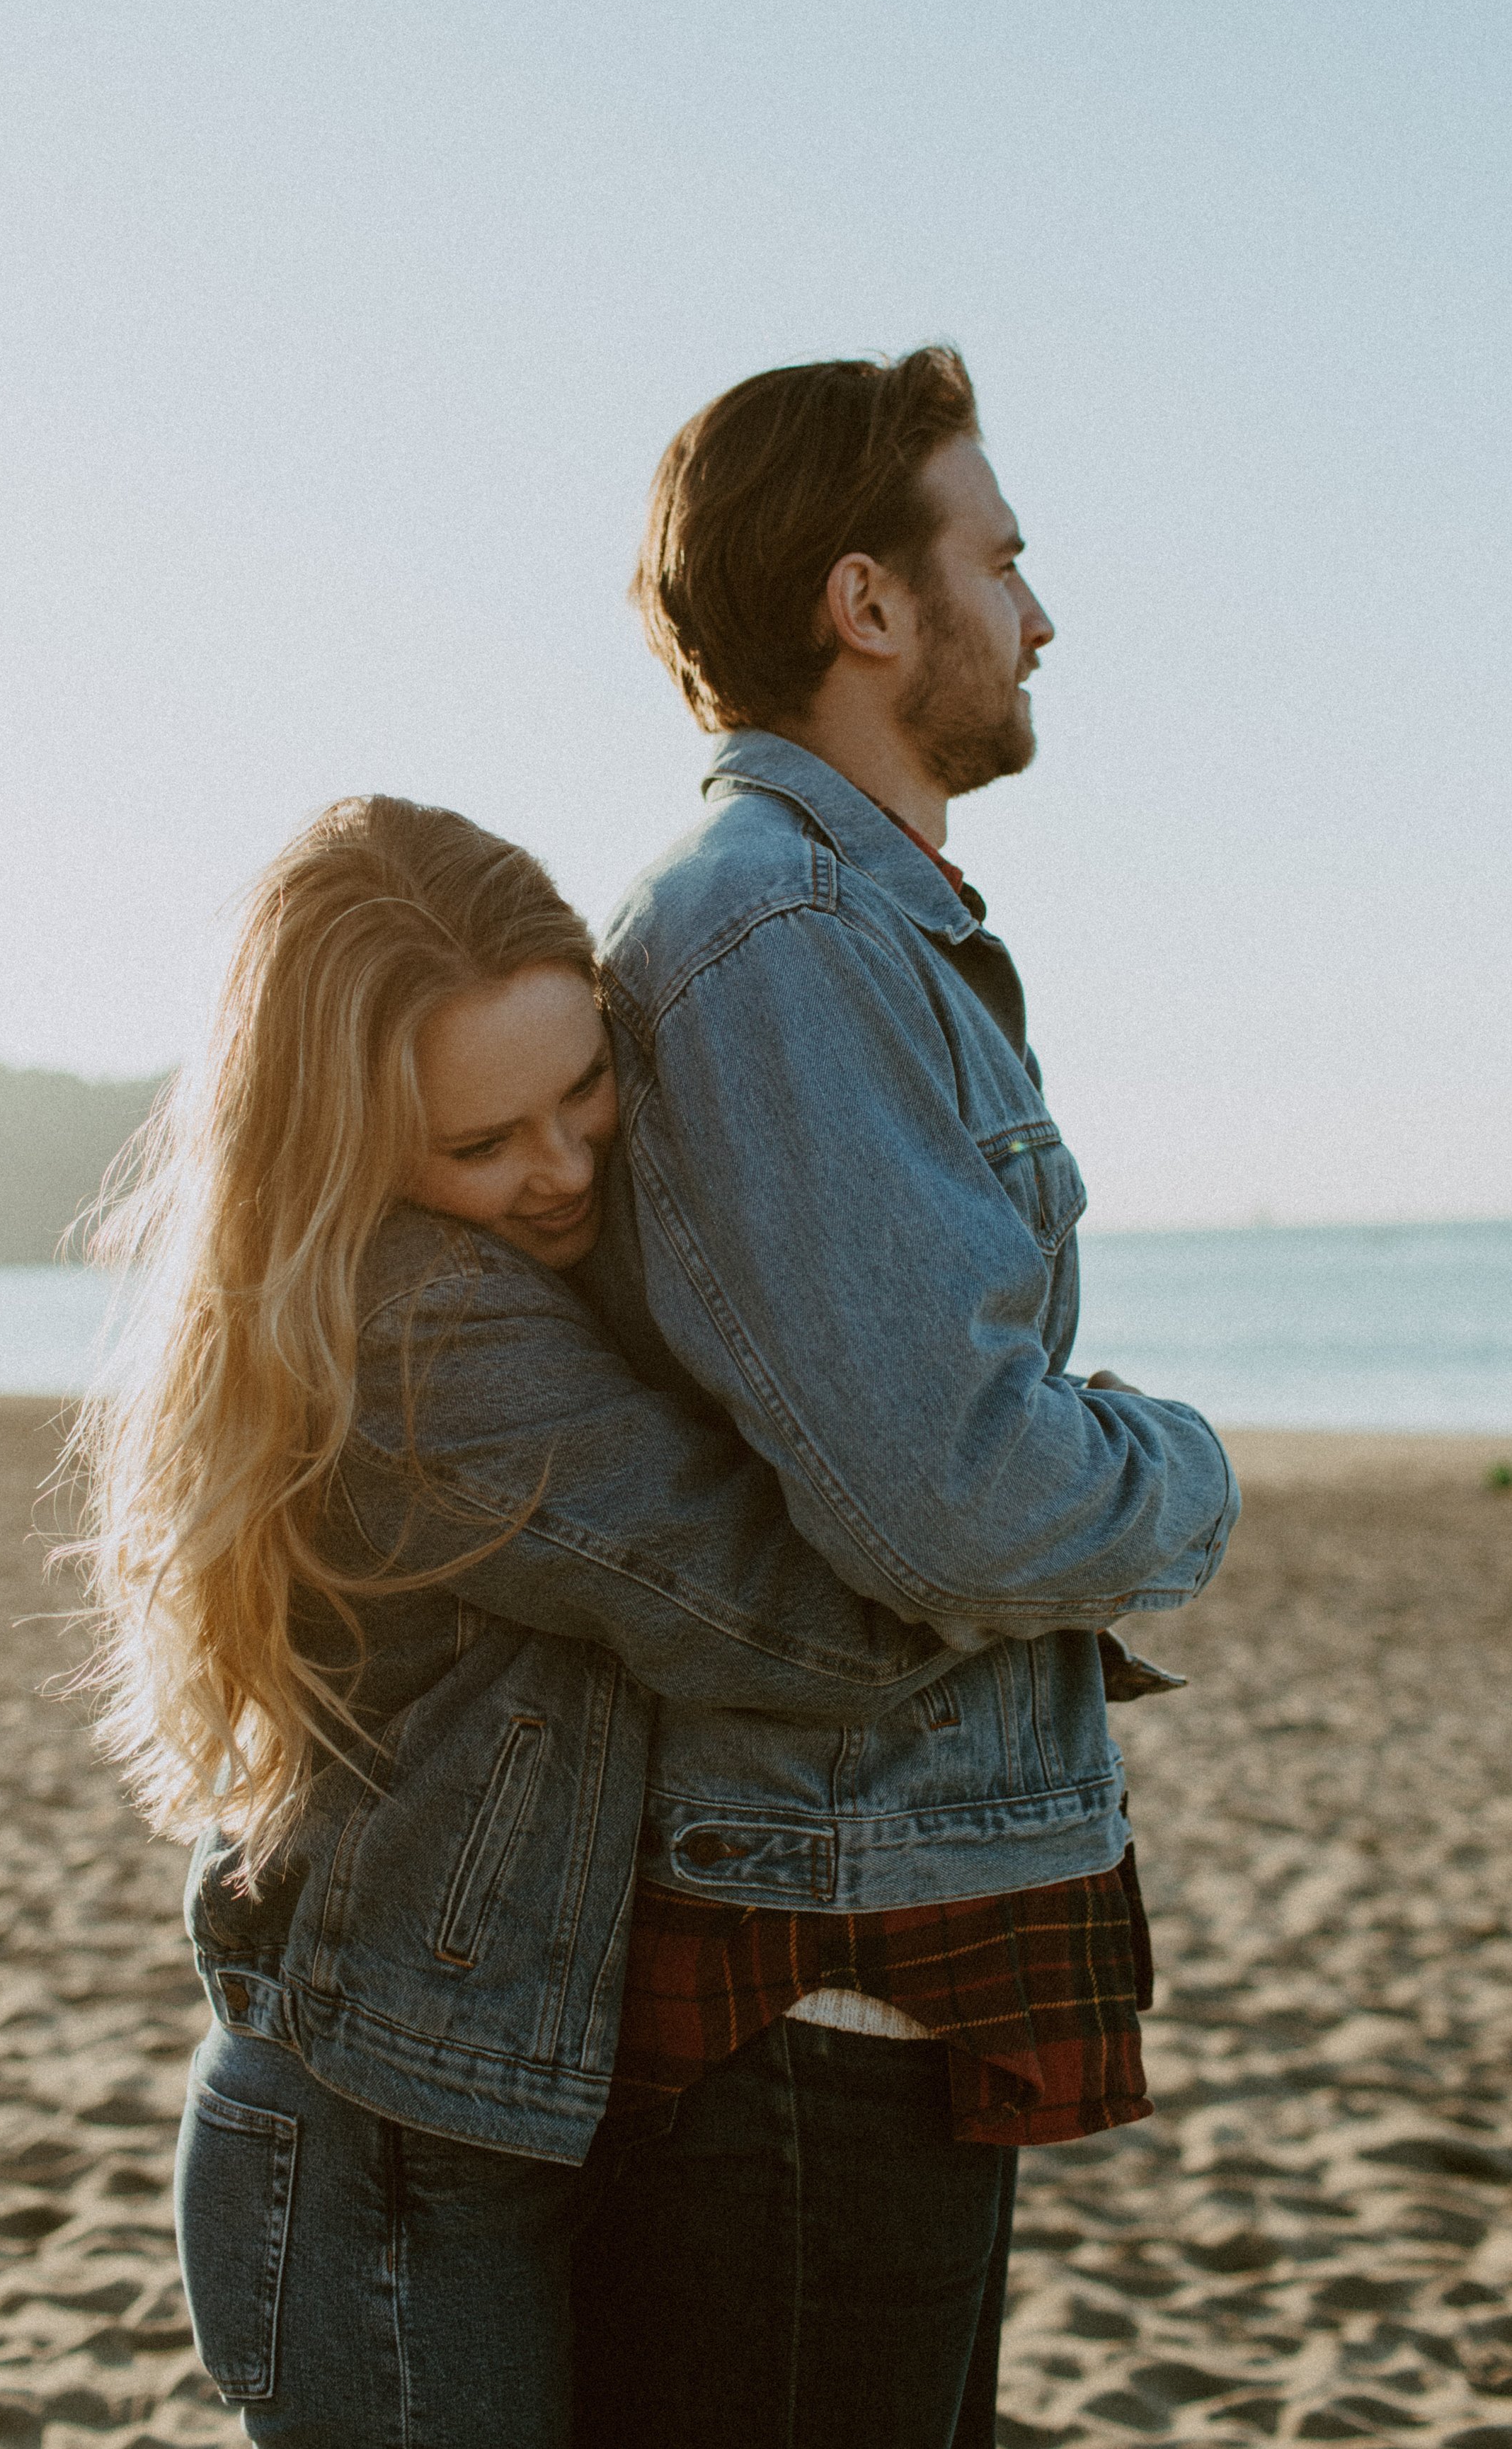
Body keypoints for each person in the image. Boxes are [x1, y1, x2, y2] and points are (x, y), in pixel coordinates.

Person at [64, 793, 983, 2449]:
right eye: (482, 1145)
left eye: (584, 1091)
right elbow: (791, 1630)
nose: (560, 1170)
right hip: (383, 2166)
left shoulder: (503, 1272)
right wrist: (1029, 1498)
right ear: (343, 1148)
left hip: (462, 2124)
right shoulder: (416, 1329)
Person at [567, 346, 1239, 2445]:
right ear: (867, 604)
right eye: (1003, 558)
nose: (1040, 614)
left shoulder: (851, 928)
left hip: (877, 1933)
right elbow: (952, 1494)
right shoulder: (773, 939)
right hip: (815, 1971)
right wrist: (1183, 1474)